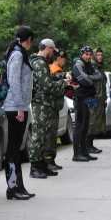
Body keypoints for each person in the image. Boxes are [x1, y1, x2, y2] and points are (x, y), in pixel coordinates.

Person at [29, 39, 70, 178]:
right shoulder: (39, 63)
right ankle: (35, 166)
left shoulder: (42, 63)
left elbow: (49, 77)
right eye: (52, 50)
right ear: (47, 48)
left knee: (45, 134)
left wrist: (62, 75)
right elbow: (47, 85)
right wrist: (63, 83)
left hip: (45, 103)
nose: (53, 53)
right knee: (39, 134)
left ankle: (42, 165)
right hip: (41, 103)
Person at [3, 26, 35, 198]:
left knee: (17, 148)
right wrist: (20, 107)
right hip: (15, 107)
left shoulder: (20, 52)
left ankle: (19, 186)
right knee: (13, 147)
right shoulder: (17, 54)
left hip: (19, 106)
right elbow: (13, 81)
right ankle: (12, 187)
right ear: (29, 39)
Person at [71, 47, 102, 161]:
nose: (89, 56)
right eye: (86, 54)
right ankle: (76, 153)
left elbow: (99, 76)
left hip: (88, 98)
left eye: (90, 54)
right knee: (79, 126)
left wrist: (89, 77)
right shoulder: (78, 65)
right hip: (80, 98)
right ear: (82, 54)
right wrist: (90, 78)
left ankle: (84, 152)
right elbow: (85, 81)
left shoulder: (90, 65)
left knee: (86, 126)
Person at [87, 47, 107, 153]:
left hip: (100, 99)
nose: (100, 57)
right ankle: (87, 145)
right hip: (93, 99)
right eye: (98, 55)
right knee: (91, 122)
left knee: (96, 123)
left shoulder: (100, 68)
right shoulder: (91, 67)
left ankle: (90, 144)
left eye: (101, 55)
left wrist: (104, 99)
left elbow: (103, 85)